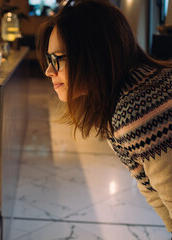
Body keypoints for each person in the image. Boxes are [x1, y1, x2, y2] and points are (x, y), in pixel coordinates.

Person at [36, 0, 172, 233]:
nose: (49, 71)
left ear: (94, 54)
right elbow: (153, 191)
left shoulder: (138, 110)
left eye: (57, 58)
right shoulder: (132, 90)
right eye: (49, 60)